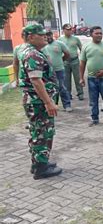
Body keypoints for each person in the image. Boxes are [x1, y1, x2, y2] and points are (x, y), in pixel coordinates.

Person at [19, 24, 62, 179]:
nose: (45, 36)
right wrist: (48, 102)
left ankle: (39, 162)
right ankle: (40, 169)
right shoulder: (32, 55)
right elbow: (36, 81)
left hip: (37, 101)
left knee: (39, 132)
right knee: (42, 133)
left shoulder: (35, 52)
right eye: (41, 34)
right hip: (38, 102)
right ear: (31, 37)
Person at [79, 26, 103, 126]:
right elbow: (82, 63)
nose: (99, 35)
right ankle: (94, 119)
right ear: (91, 34)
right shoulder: (86, 47)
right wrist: (81, 77)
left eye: (100, 33)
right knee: (93, 100)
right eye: (97, 33)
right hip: (92, 78)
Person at [44, 31, 72, 112]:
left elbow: (67, 54)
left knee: (61, 87)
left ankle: (67, 105)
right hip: (47, 71)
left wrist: (61, 60)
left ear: (52, 35)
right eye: (46, 36)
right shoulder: (43, 46)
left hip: (59, 69)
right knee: (50, 88)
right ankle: (53, 105)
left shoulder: (59, 44)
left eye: (49, 35)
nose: (48, 37)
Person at [58, 23, 84, 100]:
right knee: (66, 79)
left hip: (75, 61)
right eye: (67, 30)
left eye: (70, 29)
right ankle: (68, 94)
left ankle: (80, 93)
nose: (69, 31)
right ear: (63, 30)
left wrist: (82, 58)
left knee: (78, 78)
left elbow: (81, 49)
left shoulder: (76, 39)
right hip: (65, 61)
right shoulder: (60, 40)